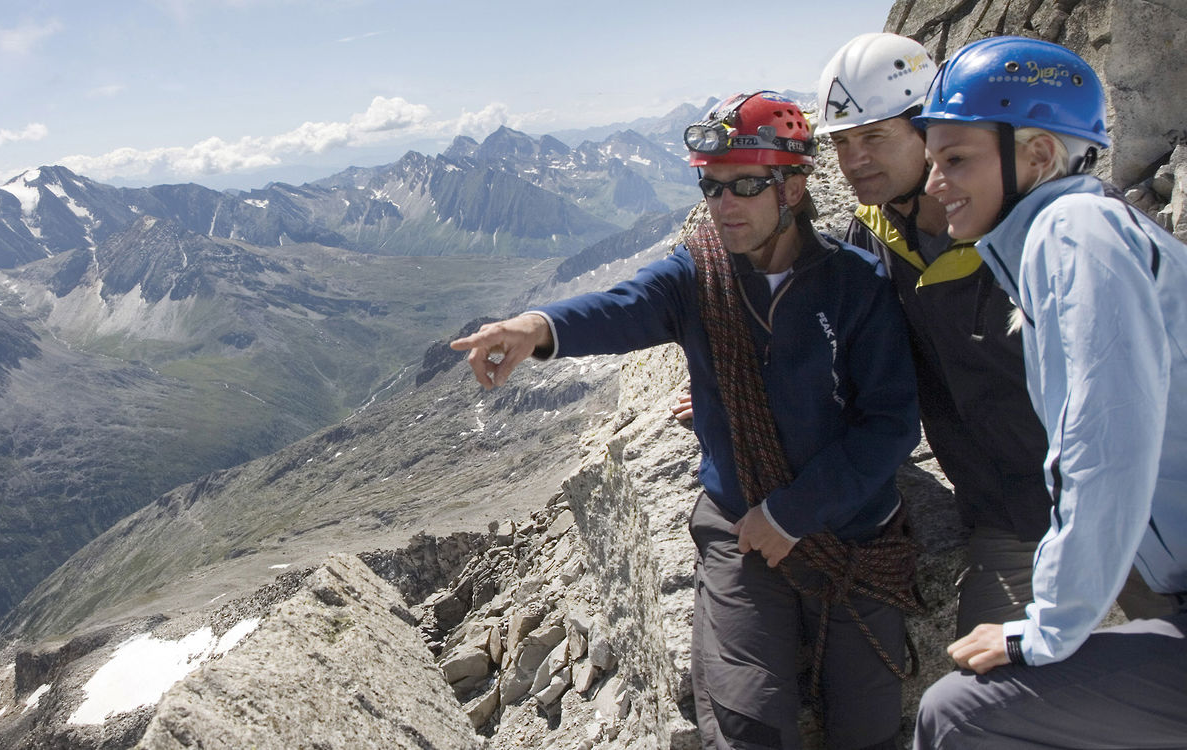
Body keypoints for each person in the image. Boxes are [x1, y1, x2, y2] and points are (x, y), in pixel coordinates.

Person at [452, 91, 921, 749]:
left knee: (867, 732)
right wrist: (539, 327)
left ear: (792, 187)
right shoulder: (699, 274)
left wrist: (792, 513)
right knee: (747, 726)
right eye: (711, 185)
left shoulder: (855, 284)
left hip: (849, 534)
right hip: (742, 529)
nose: (721, 205)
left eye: (744, 186)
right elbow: (626, 305)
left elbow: (892, 423)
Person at [910, 36, 1187, 748]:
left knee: (958, 715)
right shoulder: (1075, 233)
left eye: (956, 159)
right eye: (934, 160)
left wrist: (1049, 627)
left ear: (1035, 156)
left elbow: (1103, 441)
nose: (935, 184)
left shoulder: (1073, 232)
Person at [816, 32, 1056, 636]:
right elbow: (831, 339)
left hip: (1118, 497)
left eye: (873, 136)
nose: (853, 160)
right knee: (981, 708)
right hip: (1007, 518)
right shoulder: (871, 236)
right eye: (842, 142)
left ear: (928, 129)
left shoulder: (1040, 226)